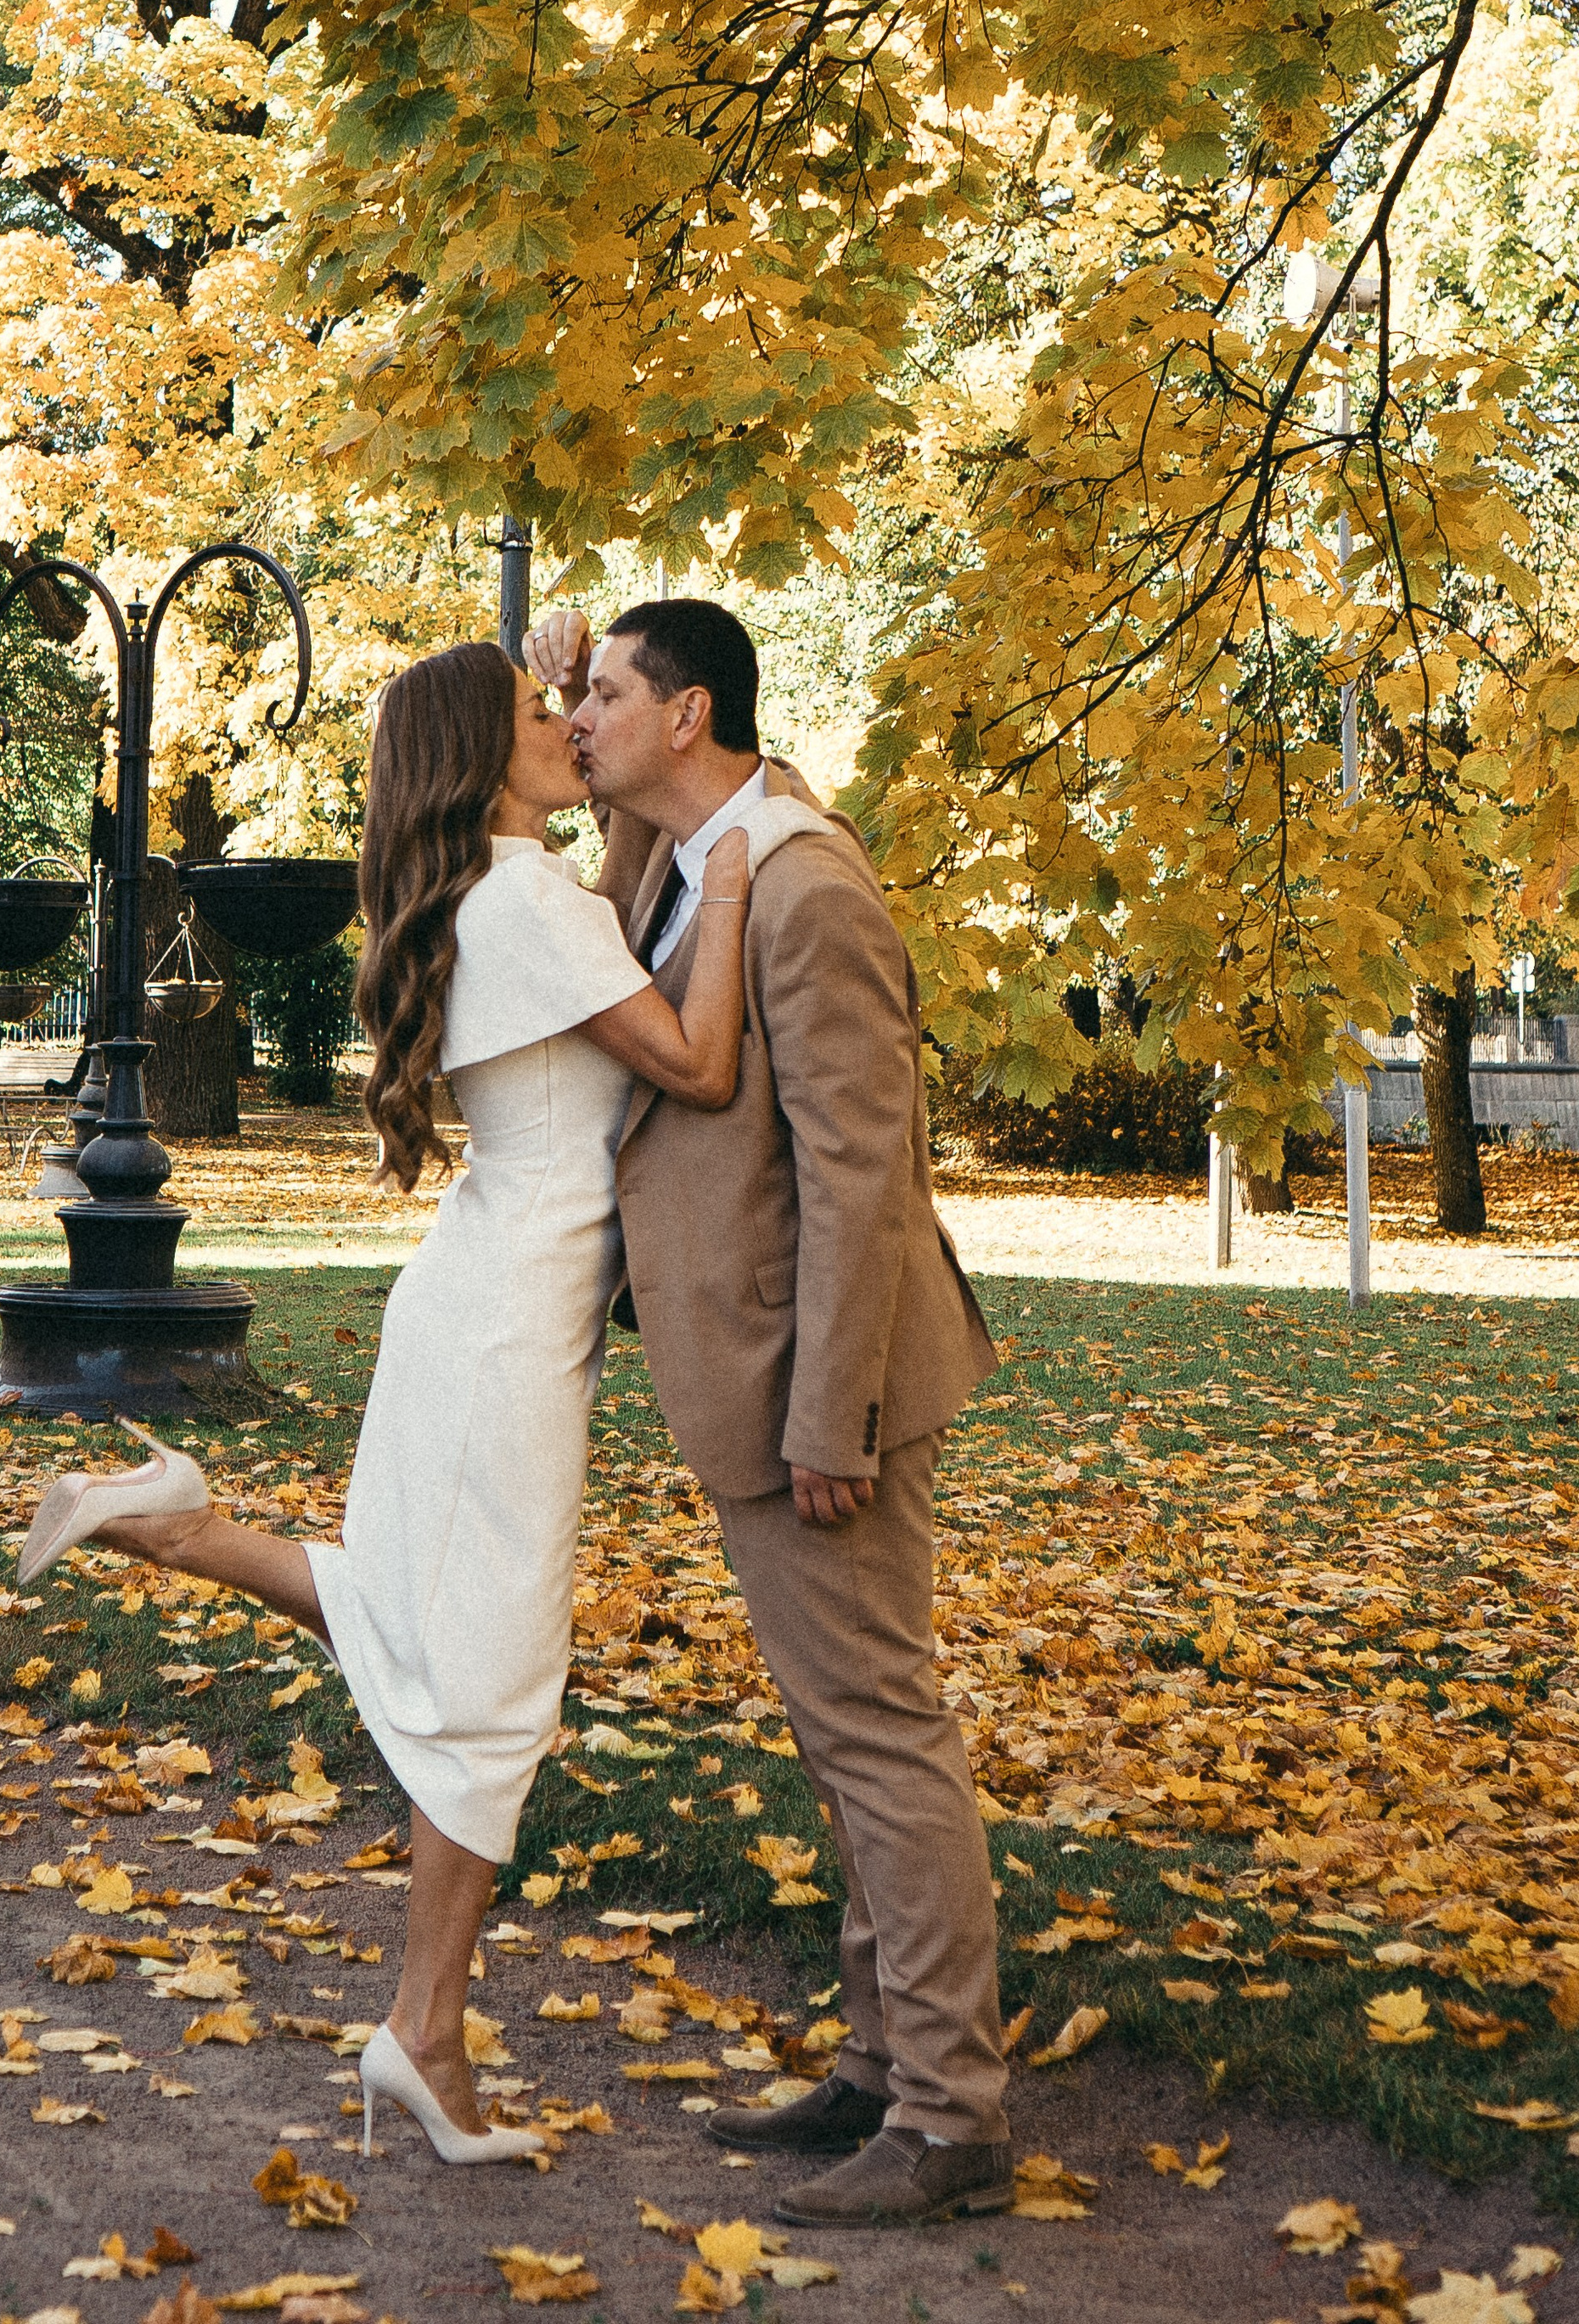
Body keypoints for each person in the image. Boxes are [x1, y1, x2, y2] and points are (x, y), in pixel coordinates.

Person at [14, 640, 754, 2168]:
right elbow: (692, 1060)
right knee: (488, 1686)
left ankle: (171, 1517)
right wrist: (732, 876)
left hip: (479, 1306)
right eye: (545, 714)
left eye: (577, 706)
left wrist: (556, 697)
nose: (574, 729)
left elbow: (605, 908)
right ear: (483, 760)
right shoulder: (531, 901)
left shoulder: (504, 894)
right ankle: (422, 2032)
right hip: (501, 1335)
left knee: (433, 1631)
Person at [526, 596, 1014, 2228]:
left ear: (692, 714)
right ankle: (882, 2066)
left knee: (881, 1734)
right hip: (756, 1369)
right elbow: (560, 820)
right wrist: (548, 674)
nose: (577, 716)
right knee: (840, 1735)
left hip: (827, 1388)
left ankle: (949, 2119)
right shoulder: (680, 853)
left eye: (603, 694)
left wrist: (833, 1416)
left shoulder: (799, 881)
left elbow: (866, 1171)